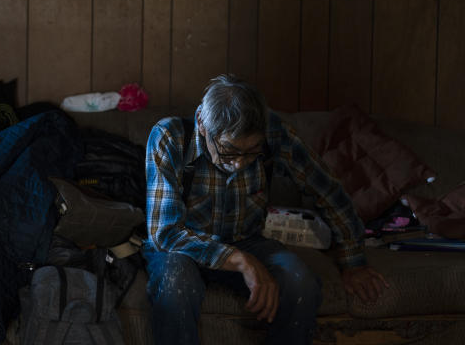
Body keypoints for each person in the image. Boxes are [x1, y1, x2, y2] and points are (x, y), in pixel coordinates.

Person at [142, 75, 388, 345]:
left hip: (246, 239)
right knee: (176, 285)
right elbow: (165, 233)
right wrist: (240, 261)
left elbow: (329, 191)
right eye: (229, 151)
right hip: (182, 247)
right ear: (202, 123)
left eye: (251, 153)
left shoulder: (275, 133)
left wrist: (353, 261)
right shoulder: (170, 136)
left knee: (301, 283)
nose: (239, 164)